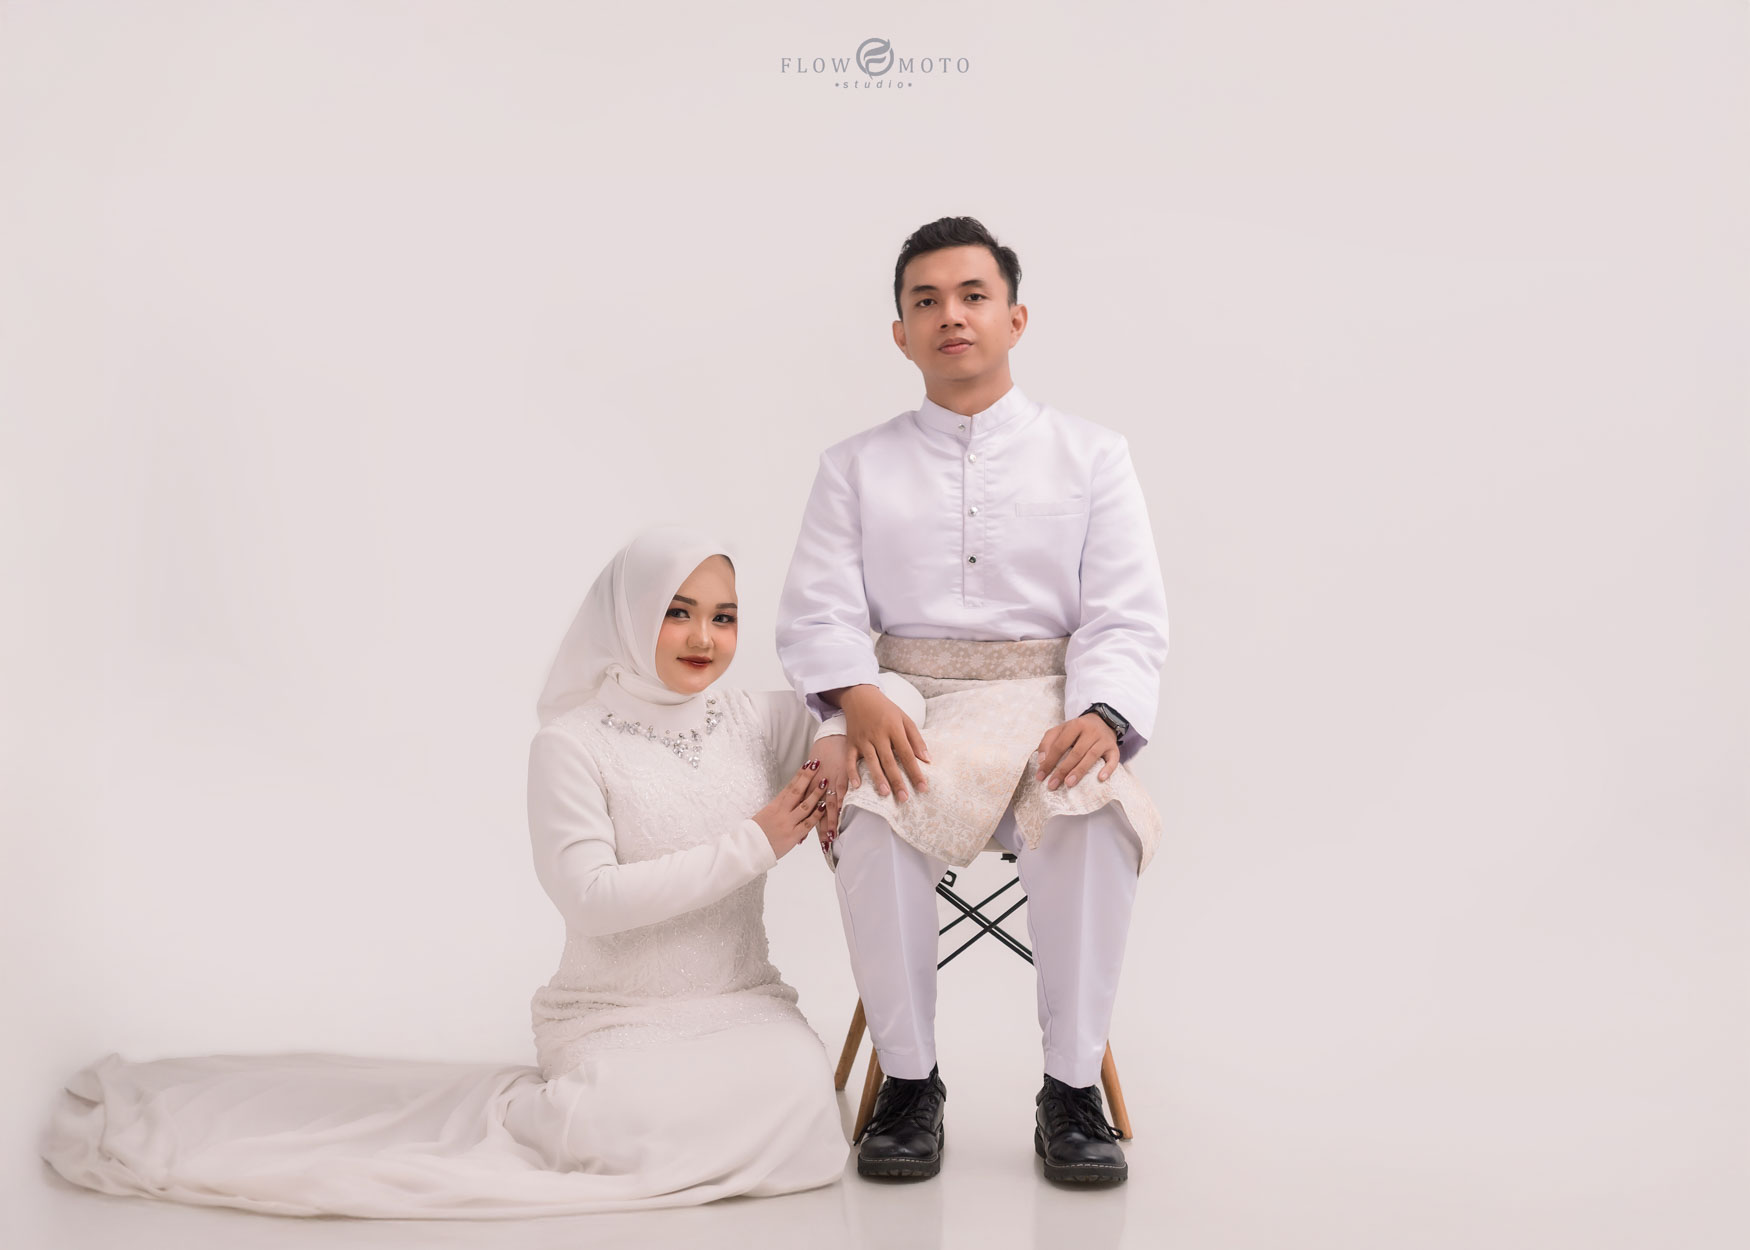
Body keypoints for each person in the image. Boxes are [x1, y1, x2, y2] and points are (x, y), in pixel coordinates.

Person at [40, 526, 923, 1216]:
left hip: (738, 1001)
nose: (703, 638)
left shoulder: (753, 719)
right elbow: (592, 899)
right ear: (629, 615)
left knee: (803, 1108)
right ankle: (561, 1119)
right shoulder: (571, 745)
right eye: (677, 612)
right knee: (629, 1124)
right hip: (615, 1017)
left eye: (724, 617)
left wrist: (835, 728)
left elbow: (897, 688)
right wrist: (756, 841)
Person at [777, 217, 1170, 1185]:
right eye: (926, 301)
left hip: (1052, 701)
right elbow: (819, 610)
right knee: (872, 803)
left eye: (972, 295)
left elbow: (1125, 614)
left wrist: (1104, 715)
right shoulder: (853, 464)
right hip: (907, 701)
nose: (950, 315)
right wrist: (856, 695)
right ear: (901, 334)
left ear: (1014, 318)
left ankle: (1069, 1088)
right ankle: (910, 1082)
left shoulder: (1092, 454)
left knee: (1090, 803)